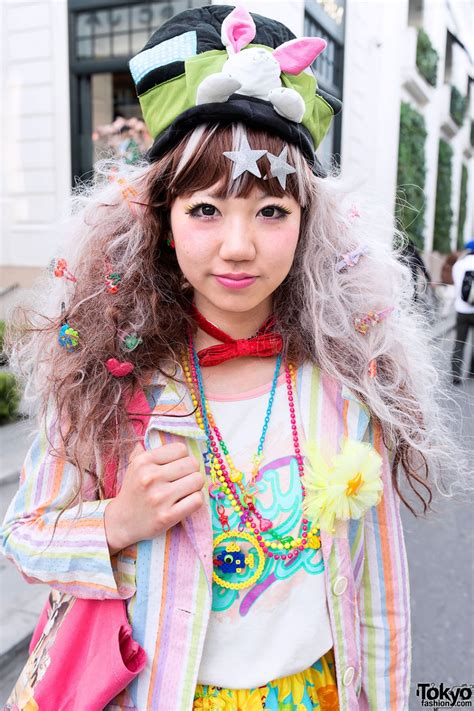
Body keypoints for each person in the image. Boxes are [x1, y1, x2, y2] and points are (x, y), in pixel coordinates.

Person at [0, 5, 463, 710]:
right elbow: (24, 536)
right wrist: (119, 522)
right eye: (207, 209)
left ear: (309, 223)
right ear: (162, 219)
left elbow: (382, 596)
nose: (239, 246)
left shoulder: (345, 382)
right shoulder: (117, 385)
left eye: (271, 211)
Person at [451, 239, 474, 384]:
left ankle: (456, 374)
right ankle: (472, 371)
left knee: (459, 341)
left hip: (462, 310)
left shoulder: (458, 265)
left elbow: (457, 285)